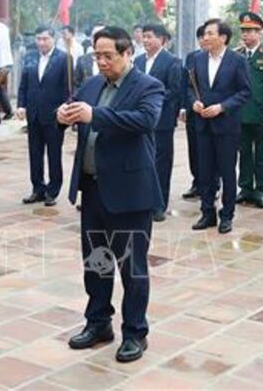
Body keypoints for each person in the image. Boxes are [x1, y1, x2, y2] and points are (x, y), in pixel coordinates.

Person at [58, 26, 163, 364]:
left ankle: (135, 332)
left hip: (130, 192)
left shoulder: (148, 86)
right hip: (92, 189)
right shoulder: (91, 85)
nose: (102, 62)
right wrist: (62, 115)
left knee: (132, 268)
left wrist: (95, 115)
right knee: (96, 264)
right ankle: (98, 322)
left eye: (108, 56)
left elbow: (145, 120)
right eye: (97, 56)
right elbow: (74, 110)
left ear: (127, 53)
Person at [183, 19, 251, 234]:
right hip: (202, 124)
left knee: (227, 171)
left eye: (210, 33)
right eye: (204, 34)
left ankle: (227, 215)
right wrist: (194, 102)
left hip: (226, 126)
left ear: (223, 37)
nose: (205, 37)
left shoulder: (237, 61)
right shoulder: (198, 59)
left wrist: (222, 107)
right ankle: (207, 213)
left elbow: (245, 91)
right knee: (205, 171)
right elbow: (189, 87)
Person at [133, 23, 182, 222]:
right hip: (139, 119)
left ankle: (159, 204)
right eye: (143, 36)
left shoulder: (172, 62)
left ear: (161, 39)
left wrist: (149, 99)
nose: (145, 40)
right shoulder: (137, 61)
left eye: (149, 36)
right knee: (141, 160)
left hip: (162, 120)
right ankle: (141, 200)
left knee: (161, 162)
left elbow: (174, 90)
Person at [17, 26, 71, 206]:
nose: (41, 42)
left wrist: (65, 108)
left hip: (54, 116)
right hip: (34, 114)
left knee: (54, 154)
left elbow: (68, 88)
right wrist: (21, 105)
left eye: (45, 39)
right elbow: (24, 84)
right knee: (35, 154)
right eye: (38, 39)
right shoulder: (30, 57)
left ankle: (52, 190)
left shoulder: (64, 59)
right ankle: (37, 189)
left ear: (53, 39)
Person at [235, 12, 263, 209]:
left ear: (260, 33)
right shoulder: (236, 54)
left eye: (250, 31)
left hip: (261, 113)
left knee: (262, 153)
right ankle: (245, 188)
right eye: (244, 31)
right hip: (240, 112)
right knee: (244, 152)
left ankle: (260, 190)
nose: (246, 34)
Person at [180, 26, 207, 200]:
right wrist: (185, 106)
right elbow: (185, 83)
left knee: (209, 150)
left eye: (208, 35)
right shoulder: (192, 57)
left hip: (212, 111)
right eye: (201, 37)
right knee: (194, 148)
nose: (205, 40)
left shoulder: (224, 59)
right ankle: (197, 182)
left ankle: (212, 183)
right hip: (193, 110)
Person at [74, 24, 105, 90]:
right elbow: (76, 85)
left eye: (102, 36)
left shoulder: (115, 60)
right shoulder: (82, 60)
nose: (97, 40)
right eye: (95, 36)